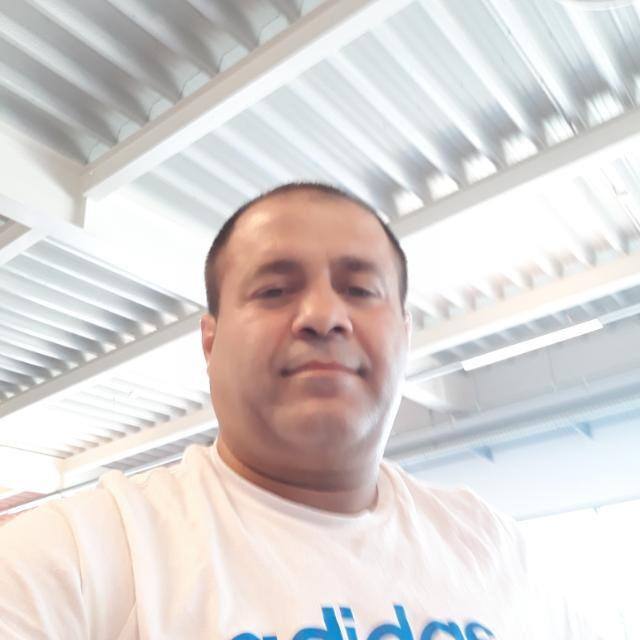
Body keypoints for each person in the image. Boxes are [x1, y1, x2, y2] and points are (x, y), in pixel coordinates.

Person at [0, 183, 597, 639]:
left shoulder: (495, 550)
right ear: (211, 342)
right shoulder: (80, 555)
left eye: (360, 290)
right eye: (274, 290)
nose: (324, 316)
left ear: (404, 334)